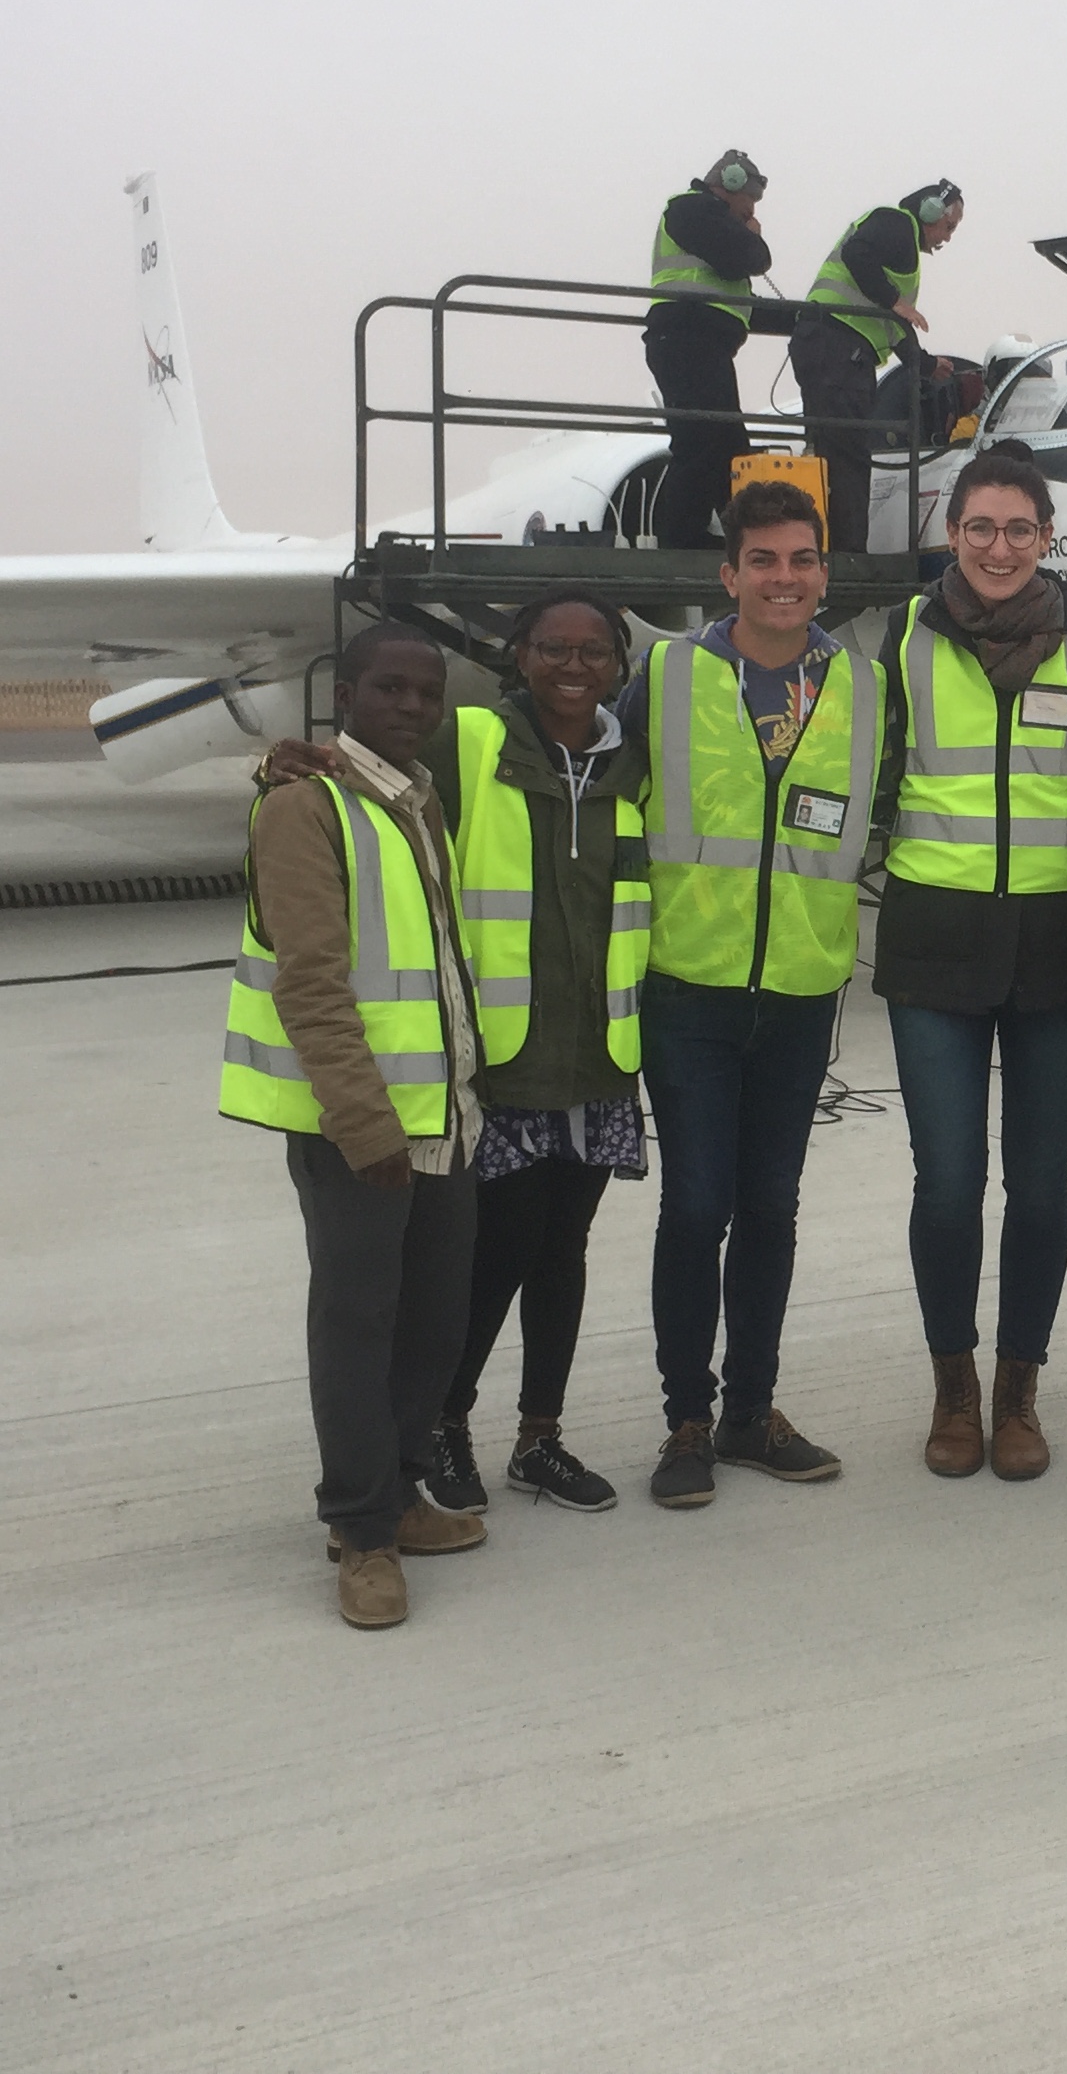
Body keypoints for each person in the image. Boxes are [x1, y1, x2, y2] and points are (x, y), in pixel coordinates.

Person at [251, 591, 656, 1520]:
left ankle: (539, 1436)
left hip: (596, 1052)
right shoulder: (467, 743)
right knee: (486, 1264)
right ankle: (440, 1429)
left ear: (619, 666)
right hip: (498, 1064)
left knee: (563, 1254)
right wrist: (279, 762)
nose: (573, 666)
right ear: (517, 656)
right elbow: (352, 772)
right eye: (552, 647)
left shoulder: (632, 759)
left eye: (594, 651)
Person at [874, 443, 1067, 1479]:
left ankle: (1020, 1392)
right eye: (979, 528)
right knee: (947, 1185)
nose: (998, 547)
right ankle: (954, 1390)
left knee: (1038, 1186)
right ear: (953, 534)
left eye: (1019, 530)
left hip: (1056, 951)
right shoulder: (900, 634)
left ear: (1047, 538)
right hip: (933, 946)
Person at [616, 479, 883, 1509]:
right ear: (728, 574)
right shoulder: (669, 673)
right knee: (696, 1206)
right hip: (690, 986)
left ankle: (749, 1409)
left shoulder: (859, 685)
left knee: (772, 1206)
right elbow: (581, 765)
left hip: (803, 989)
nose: (786, 579)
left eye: (803, 561)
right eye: (763, 561)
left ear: (825, 572)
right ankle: (686, 1416)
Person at [217, 621, 489, 1631]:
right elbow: (314, 982)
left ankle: (403, 1489)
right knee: (358, 1323)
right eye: (390, 690)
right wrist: (363, 1123)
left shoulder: (413, 802)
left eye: (428, 692)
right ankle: (360, 1532)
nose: (412, 707)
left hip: (445, 1114)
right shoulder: (304, 806)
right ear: (344, 695)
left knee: (432, 1320)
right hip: (362, 1130)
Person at [792, 182, 964, 552]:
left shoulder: (901, 255)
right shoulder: (896, 224)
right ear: (932, 211)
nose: (947, 239)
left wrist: (926, 364)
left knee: (839, 454)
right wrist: (895, 302)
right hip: (837, 348)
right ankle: (848, 556)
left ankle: (833, 548)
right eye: (948, 227)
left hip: (834, 348)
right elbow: (858, 254)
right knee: (848, 457)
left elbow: (892, 327)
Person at [645, 149, 786, 549]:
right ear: (734, 184)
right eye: (750, 200)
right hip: (688, 337)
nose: (750, 210)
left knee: (725, 442)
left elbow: (731, 296)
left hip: (699, 340)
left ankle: (737, 536)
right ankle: (682, 538)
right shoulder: (692, 209)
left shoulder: (704, 219)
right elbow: (747, 257)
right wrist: (752, 235)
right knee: (699, 438)